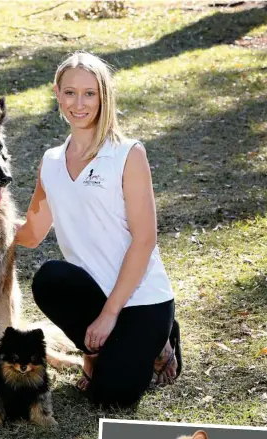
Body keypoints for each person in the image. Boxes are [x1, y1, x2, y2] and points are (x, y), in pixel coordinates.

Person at [15, 51, 181, 408]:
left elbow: (145, 239)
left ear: (104, 96)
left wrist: (109, 316)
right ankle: (95, 351)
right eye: (71, 92)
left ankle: (162, 339)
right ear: (57, 94)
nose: (79, 103)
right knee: (49, 279)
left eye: (90, 93)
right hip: (94, 295)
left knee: (112, 400)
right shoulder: (52, 162)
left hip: (141, 299)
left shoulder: (127, 154)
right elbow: (30, 233)